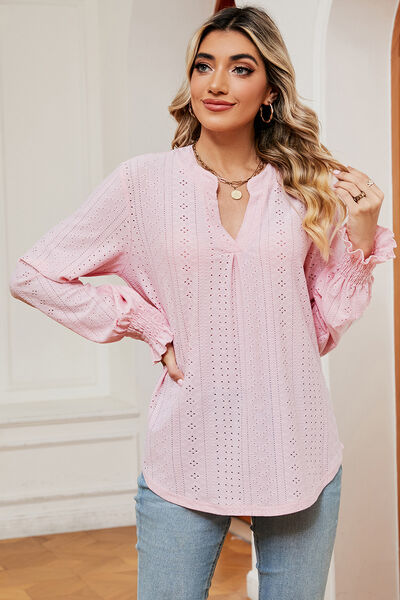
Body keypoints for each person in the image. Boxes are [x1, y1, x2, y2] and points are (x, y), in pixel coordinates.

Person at [9, 5, 397, 600]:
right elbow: (34, 274)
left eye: (240, 68)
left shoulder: (304, 188)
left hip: (298, 448)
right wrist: (148, 324)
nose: (216, 83)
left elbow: (320, 328)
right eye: (203, 66)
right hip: (187, 448)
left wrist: (362, 236)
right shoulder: (142, 184)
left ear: (270, 91)